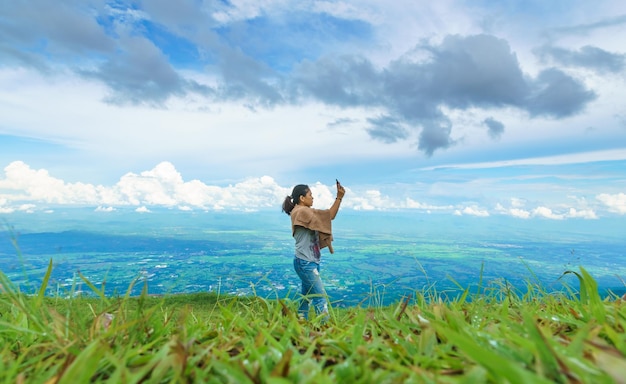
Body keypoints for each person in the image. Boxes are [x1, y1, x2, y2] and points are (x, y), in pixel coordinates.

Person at [282, 181, 346, 321]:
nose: (313, 197)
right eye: (310, 195)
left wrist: (339, 198)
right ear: (302, 198)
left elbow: (327, 216)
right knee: (320, 297)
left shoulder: (302, 211)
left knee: (307, 297)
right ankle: (324, 328)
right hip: (305, 263)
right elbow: (329, 216)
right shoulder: (301, 211)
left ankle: (301, 321)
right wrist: (339, 198)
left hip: (308, 261)